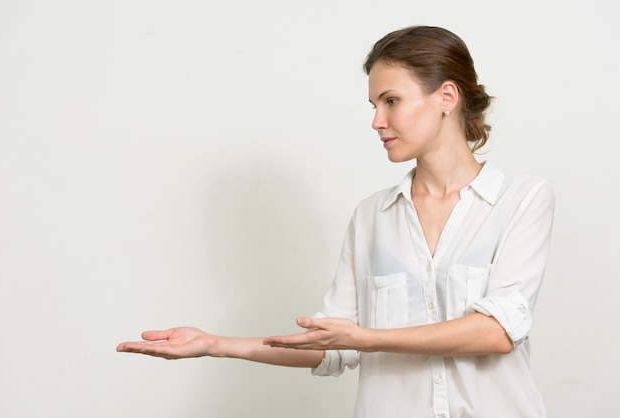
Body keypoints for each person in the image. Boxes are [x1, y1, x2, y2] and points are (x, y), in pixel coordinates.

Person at [117, 25, 554, 418]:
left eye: (392, 101)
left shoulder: (522, 200)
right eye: (374, 104)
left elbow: (495, 333)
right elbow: (333, 346)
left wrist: (364, 338)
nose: (376, 121)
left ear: (446, 97)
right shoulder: (371, 217)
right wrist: (215, 345)